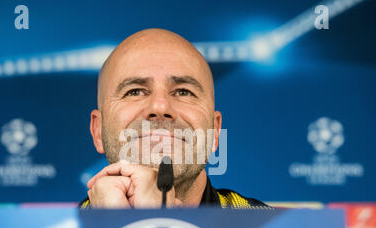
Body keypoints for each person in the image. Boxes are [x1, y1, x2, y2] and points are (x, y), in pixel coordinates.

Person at [79, 28, 269, 209]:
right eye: (135, 91)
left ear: (215, 131)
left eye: (183, 92)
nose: (160, 107)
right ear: (97, 131)